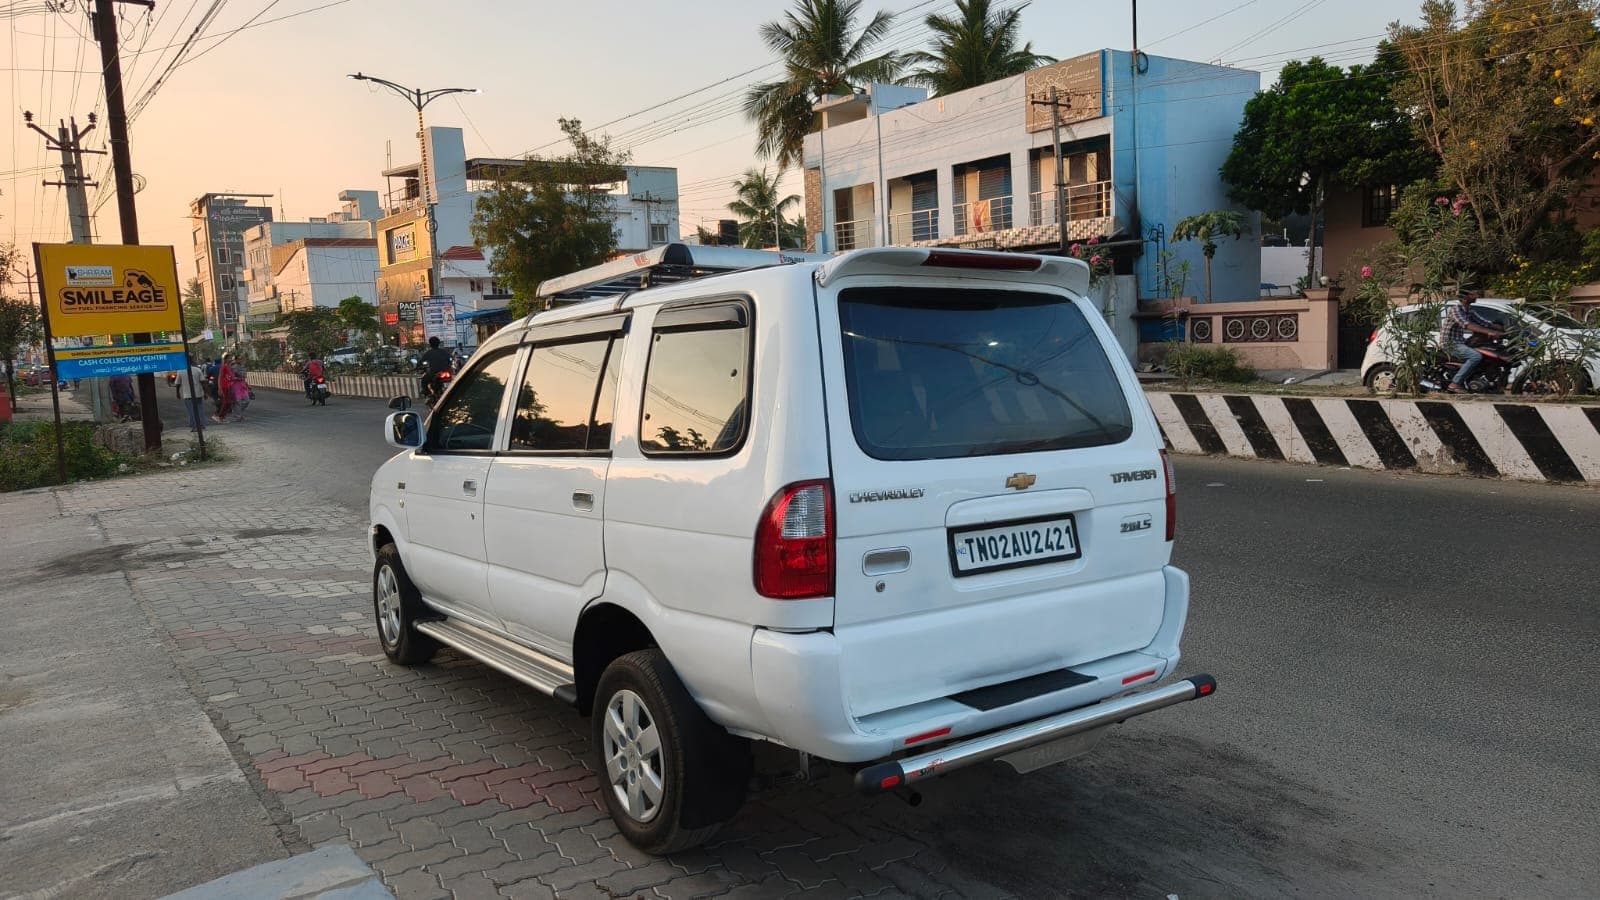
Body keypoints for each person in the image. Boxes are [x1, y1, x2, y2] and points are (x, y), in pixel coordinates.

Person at [1440, 289, 1504, 393]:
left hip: (1461, 342)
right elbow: (1467, 325)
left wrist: (1505, 330)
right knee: (1475, 356)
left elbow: (1485, 323)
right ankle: (1455, 384)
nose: (1476, 295)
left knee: (1486, 353)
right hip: (1450, 344)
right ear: (1464, 298)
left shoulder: (1469, 311)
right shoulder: (1456, 309)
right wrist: (1489, 332)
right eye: (1472, 293)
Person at [174, 356, 207, 431]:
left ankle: (195, 426)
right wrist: (205, 393)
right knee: (199, 410)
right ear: (192, 361)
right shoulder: (197, 370)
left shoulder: (180, 371)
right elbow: (203, 382)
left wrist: (177, 393)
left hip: (188, 395)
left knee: (191, 411)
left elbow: (177, 384)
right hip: (198, 394)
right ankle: (201, 425)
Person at [215, 355, 235, 421]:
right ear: (225, 359)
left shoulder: (230, 367)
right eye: (229, 358)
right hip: (224, 386)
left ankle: (223, 416)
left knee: (229, 402)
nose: (230, 359)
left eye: (231, 358)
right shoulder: (223, 367)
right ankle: (219, 416)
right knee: (226, 402)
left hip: (229, 386)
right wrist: (219, 388)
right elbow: (220, 377)